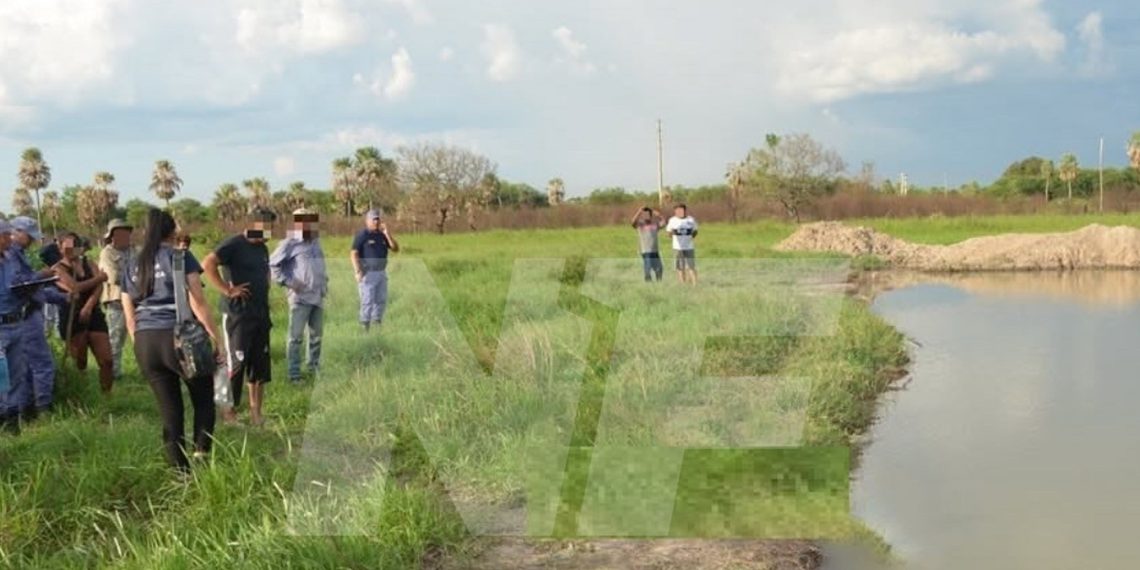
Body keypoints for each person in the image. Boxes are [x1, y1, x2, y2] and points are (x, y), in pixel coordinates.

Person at [122, 208, 222, 472]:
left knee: (170, 410)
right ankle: (201, 458)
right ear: (171, 230)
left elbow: (129, 312)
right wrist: (215, 338)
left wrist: (138, 343)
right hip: (177, 338)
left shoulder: (132, 263)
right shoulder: (180, 257)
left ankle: (180, 471)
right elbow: (198, 302)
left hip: (145, 341)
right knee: (202, 398)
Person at [202, 208, 277, 426]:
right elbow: (208, 263)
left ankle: (256, 414)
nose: (268, 231)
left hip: (260, 314)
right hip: (238, 315)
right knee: (235, 364)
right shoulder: (233, 244)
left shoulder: (262, 248)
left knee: (259, 365)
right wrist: (227, 289)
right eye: (265, 226)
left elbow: (265, 273)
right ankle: (229, 414)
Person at [9, 217, 73, 420]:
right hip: (23, 318)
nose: (30, 241)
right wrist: (41, 275)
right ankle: (42, 409)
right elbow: (18, 287)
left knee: (26, 369)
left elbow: (36, 292)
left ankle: (26, 410)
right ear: (16, 232)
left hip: (27, 315)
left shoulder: (20, 256)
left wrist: (62, 298)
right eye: (28, 236)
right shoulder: (10, 258)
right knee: (42, 365)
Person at [270, 209, 329, 384]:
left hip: (318, 296)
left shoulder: (315, 242)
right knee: (295, 338)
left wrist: (324, 282)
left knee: (316, 335)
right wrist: (289, 282)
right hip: (300, 299)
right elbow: (273, 265)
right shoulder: (289, 243)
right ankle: (294, 374)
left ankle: (313, 367)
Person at [57, 233, 115, 393]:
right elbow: (74, 287)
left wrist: (88, 306)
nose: (71, 250)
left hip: (93, 313)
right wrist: (99, 278)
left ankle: (107, 395)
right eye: (67, 246)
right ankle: (82, 394)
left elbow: (100, 287)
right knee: (79, 362)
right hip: (71, 316)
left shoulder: (88, 263)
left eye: (74, 245)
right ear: (60, 248)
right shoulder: (57, 269)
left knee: (107, 360)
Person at [0, 220, 32, 436]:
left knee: (17, 374)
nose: (9, 239)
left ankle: (13, 422)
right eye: (4, 235)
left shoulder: (11, 259)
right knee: (1, 376)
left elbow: (19, 282)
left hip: (16, 322)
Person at [350, 209, 399, 331]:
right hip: (368, 273)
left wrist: (387, 233)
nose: (376, 221)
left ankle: (377, 325)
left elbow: (395, 248)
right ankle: (364, 327)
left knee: (380, 300)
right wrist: (357, 271)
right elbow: (353, 253)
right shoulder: (362, 235)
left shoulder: (381, 235)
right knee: (367, 301)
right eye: (373, 219)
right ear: (367, 221)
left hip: (381, 273)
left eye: (378, 219)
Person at [99, 219, 135, 382]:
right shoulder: (107, 253)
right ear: (112, 236)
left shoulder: (135, 251)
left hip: (137, 301)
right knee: (115, 339)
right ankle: (115, 373)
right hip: (116, 301)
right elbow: (113, 276)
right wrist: (136, 278)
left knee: (142, 338)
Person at [665, 204, 699, 285]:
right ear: (675, 211)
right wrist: (673, 233)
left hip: (689, 247)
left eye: (681, 209)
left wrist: (689, 238)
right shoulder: (672, 220)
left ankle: (695, 284)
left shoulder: (691, 219)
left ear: (685, 210)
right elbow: (668, 233)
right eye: (677, 210)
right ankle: (683, 284)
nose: (680, 212)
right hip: (677, 248)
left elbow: (695, 231)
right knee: (680, 267)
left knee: (691, 266)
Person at [631, 206, 665, 282]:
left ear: (650, 215)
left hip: (655, 250)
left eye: (648, 214)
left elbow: (663, 223)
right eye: (644, 214)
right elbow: (633, 222)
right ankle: (648, 285)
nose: (646, 216)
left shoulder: (655, 224)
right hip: (645, 251)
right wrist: (638, 212)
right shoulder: (640, 224)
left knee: (659, 268)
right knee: (648, 268)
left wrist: (659, 215)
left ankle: (659, 284)